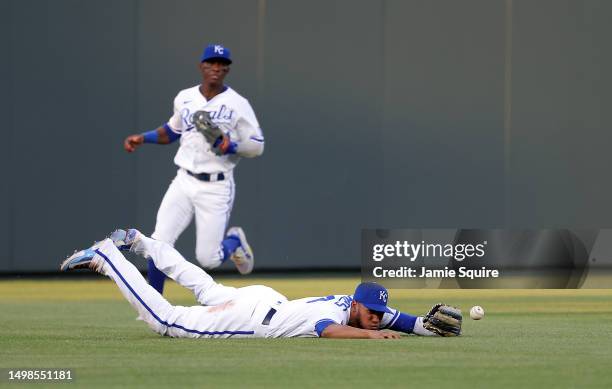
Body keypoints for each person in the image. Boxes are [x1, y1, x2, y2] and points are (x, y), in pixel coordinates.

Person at [59, 229, 462, 339]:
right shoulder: (335, 315)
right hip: (255, 316)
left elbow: (400, 320)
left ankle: (144, 242)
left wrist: (427, 327)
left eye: (377, 314)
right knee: (168, 320)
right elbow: (330, 331)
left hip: (264, 298)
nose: (375, 319)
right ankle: (108, 256)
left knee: (203, 285)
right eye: (370, 313)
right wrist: (369, 338)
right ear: (356, 306)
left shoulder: (361, 306)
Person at [122, 43, 264, 294]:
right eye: (211, 63)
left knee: (208, 259)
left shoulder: (237, 103)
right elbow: (171, 132)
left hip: (216, 185)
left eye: (222, 64)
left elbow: (257, 145)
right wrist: (143, 138)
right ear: (201, 66)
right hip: (184, 180)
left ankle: (234, 241)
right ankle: (155, 304)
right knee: (158, 241)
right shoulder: (185, 97)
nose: (216, 68)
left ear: (227, 70)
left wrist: (232, 146)